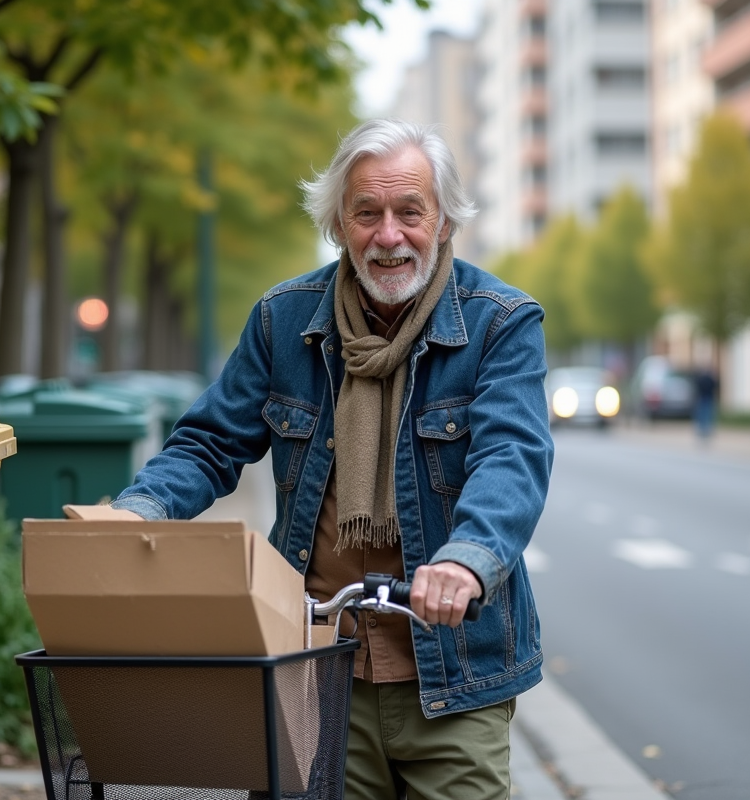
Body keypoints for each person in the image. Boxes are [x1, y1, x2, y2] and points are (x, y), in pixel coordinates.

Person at [106, 119, 554, 800]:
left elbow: (511, 457)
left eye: (410, 212)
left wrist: (467, 559)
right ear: (339, 224)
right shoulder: (282, 321)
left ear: (444, 222)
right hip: (317, 663)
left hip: (455, 675)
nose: (389, 235)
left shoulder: (500, 322)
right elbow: (210, 442)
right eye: (366, 213)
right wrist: (139, 510)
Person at [692, 364, 719, 440]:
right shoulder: (708, 379)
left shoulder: (703, 378)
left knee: (704, 415)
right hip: (706, 398)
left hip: (705, 398)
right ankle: (704, 430)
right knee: (705, 415)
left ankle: (704, 430)